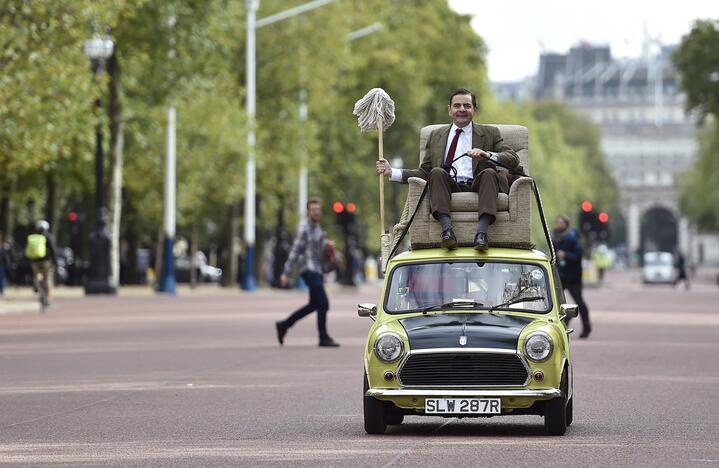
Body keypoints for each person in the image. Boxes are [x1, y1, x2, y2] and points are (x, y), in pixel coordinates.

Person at [376, 88, 520, 251]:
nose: (462, 109)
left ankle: (481, 233)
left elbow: (513, 158)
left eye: (467, 105)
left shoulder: (490, 133)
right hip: (448, 184)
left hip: (479, 184)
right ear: (449, 110)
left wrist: (486, 155)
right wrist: (392, 172)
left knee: (489, 173)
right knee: (436, 172)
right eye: (457, 105)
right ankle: (447, 232)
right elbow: (424, 172)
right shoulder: (435, 135)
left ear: (474, 110)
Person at [275, 198, 340, 347]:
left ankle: (284, 325)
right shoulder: (304, 228)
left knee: (314, 304)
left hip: (317, 270)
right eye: (313, 210)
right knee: (323, 303)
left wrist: (327, 244)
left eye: (318, 209)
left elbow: (319, 249)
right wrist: (286, 272)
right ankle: (323, 337)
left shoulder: (317, 228)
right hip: (308, 270)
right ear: (308, 212)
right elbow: (295, 250)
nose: (316, 212)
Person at [552, 214, 591, 338]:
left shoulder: (573, 238)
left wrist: (566, 255)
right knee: (555, 303)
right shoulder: (553, 237)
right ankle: (561, 325)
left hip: (573, 277)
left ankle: (586, 327)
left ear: (566, 224)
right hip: (560, 277)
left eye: (561, 222)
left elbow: (578, 255)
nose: (558, 225)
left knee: (579, 302)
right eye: (557, 222)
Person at [25, 220, 58, 307]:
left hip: (35, 261)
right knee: (47, 278)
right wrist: (55, 262)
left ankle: (36, 284)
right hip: (46, 261)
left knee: (36, 274)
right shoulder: (48, 236)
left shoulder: (33, 237)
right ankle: (47, 299)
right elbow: (53, 250)